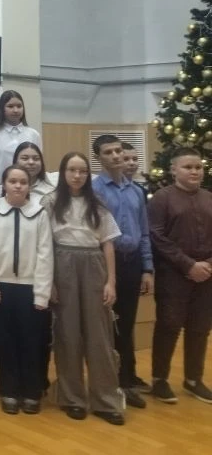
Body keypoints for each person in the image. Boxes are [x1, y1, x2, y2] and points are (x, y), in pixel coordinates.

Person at [43, 152, 124, 425]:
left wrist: (111, 281)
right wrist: (49, 281)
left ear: (88, 175)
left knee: (99, 334)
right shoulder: (51, 202)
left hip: (93, 265)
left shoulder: (97, 202)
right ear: (63, 173)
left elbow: (108, 243)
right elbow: (44, 244)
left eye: (82, 171)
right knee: (67, 334)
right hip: (62, 264)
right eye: (72, 170)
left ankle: (106, 400)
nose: (77, 175)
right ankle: (72, 398)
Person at [0, 165, 53, 416]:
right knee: (5, 340)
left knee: (31, 341)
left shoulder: (39, 212)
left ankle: (31, 391)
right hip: (1, 286)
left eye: (23, 182)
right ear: (5, 184)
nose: (18, 186)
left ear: (29, 186)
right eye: (13, 181)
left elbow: (45, 254)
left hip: (31, 287)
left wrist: (42, 292)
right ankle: (9, 390)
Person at [92, 133, 153, 408]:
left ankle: (127, 380)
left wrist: (147, 268)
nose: (116, 156)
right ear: (99, 158)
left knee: (126, 324)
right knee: (108, 325)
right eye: (109, 152)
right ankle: (110, 382)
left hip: (132, 263)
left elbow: (144, 232)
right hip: (106, 262)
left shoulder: (136, 191)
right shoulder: (94, 190)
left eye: (118, 151)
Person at [148, 146, 212, 405]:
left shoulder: (209, 197)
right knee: (169, 325)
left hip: (207, 275)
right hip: (173, 274)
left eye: (198, 167)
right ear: (174, 169)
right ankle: (159, 379)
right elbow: (157, 236)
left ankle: (193, 379)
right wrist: (188, 265)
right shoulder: (162, 198)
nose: (194, 171)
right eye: (188, 167)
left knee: (200, 328)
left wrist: (207, 265)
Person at [0, 90, 42, 179]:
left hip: (26, 185)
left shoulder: (33, 135)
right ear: (2, 109)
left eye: (19, 106)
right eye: (10, 106)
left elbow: (38, 163)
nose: (15, 110)